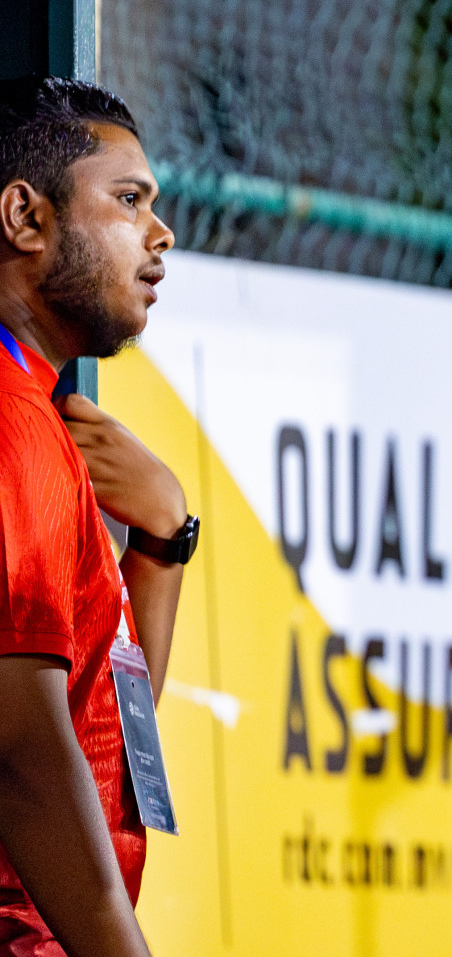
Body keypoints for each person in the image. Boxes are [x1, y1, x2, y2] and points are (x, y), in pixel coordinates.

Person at [0, 76, 194, 957]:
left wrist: (164, 539)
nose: (162, 236)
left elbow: (107, 734)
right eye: (129, 199)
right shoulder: (11, 419)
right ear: (26, 218)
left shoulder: (37, 412)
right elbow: (25, 754)